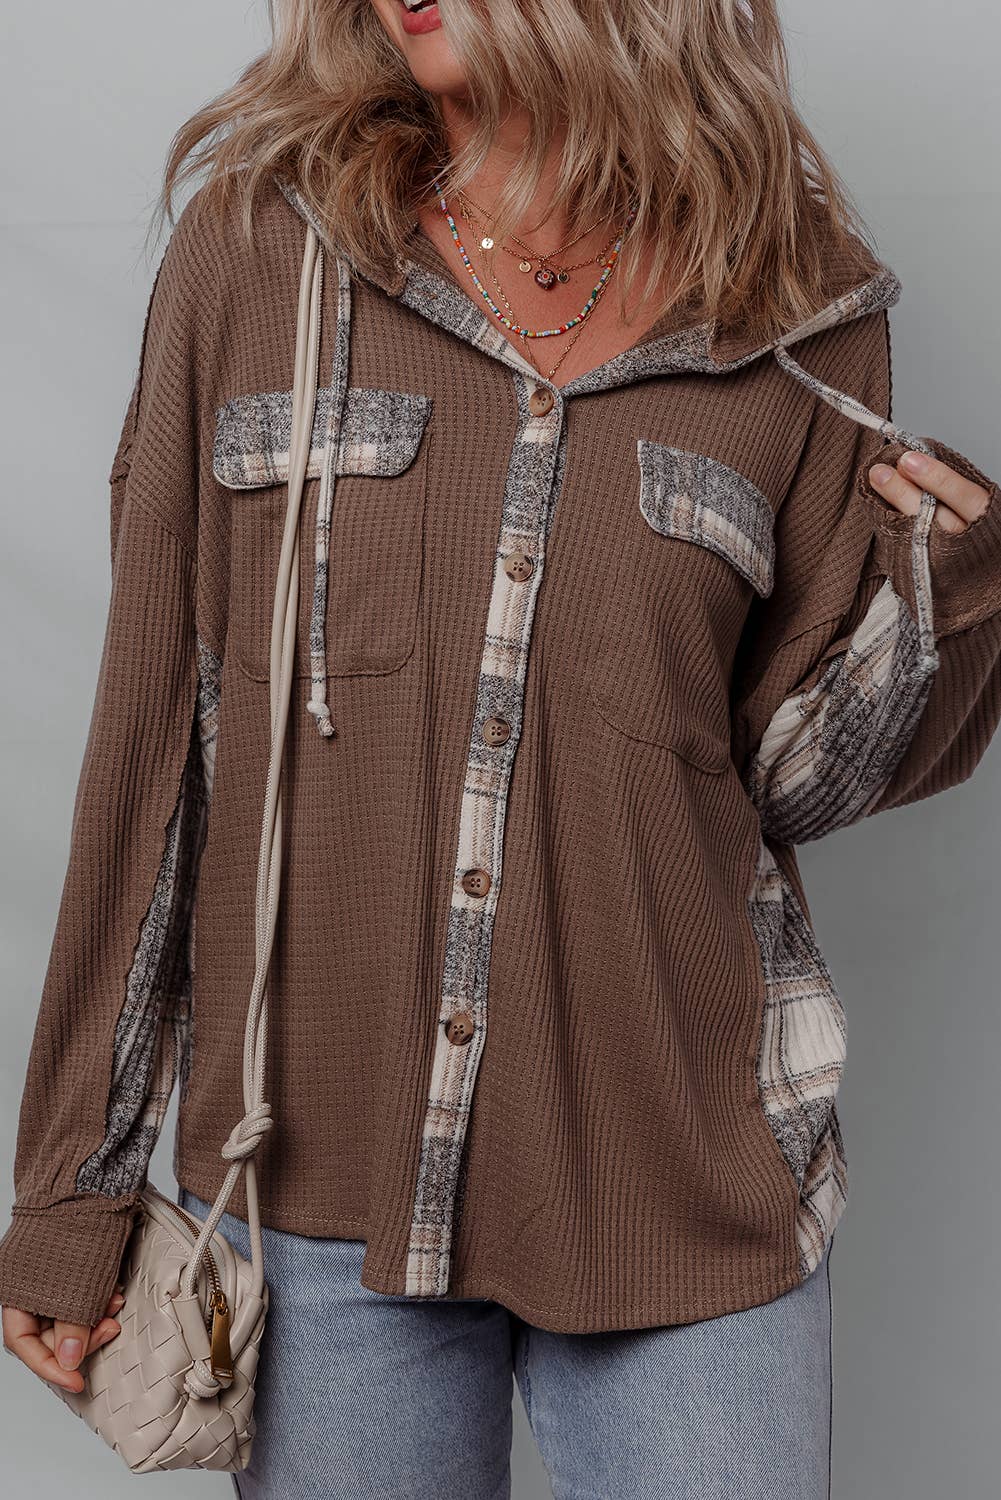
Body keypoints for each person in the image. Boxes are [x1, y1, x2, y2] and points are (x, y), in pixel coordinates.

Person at [2, 1, 1000, 1495]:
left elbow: (793, 783)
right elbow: (154, 741)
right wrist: (71, 1187)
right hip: (320, 1193)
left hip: (680, 1191)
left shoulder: (801, 313)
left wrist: (947, 599)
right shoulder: (259, 255)